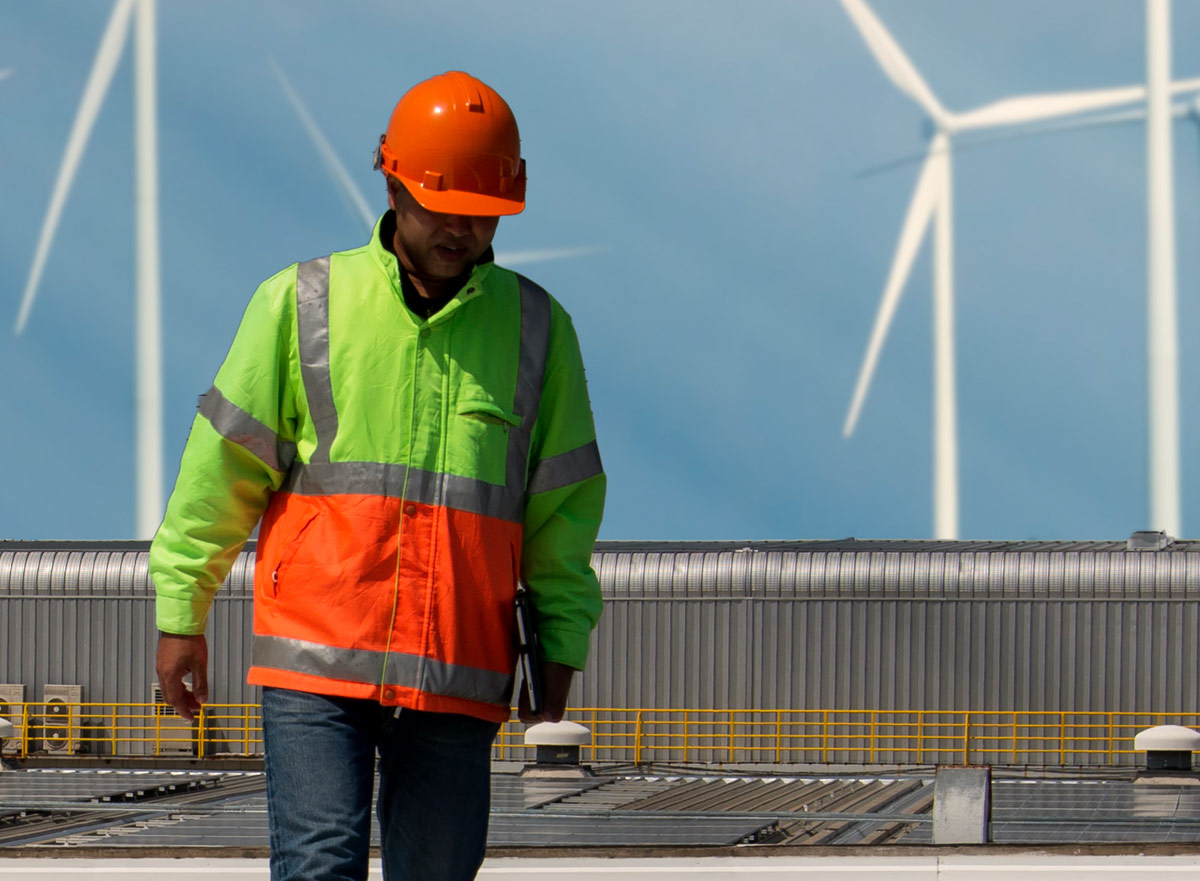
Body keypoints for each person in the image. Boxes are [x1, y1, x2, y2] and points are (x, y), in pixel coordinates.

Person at [149, 70, 605, 881]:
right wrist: (182, 611)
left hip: (459, 667)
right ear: (393, 186)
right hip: (315, 658)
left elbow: (561, 513)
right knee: (318, 866)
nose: (460, 229)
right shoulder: (300, 303)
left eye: (480, 212)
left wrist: (560, 647)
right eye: (440, 206)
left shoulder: (539, 329)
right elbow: (220, 471)